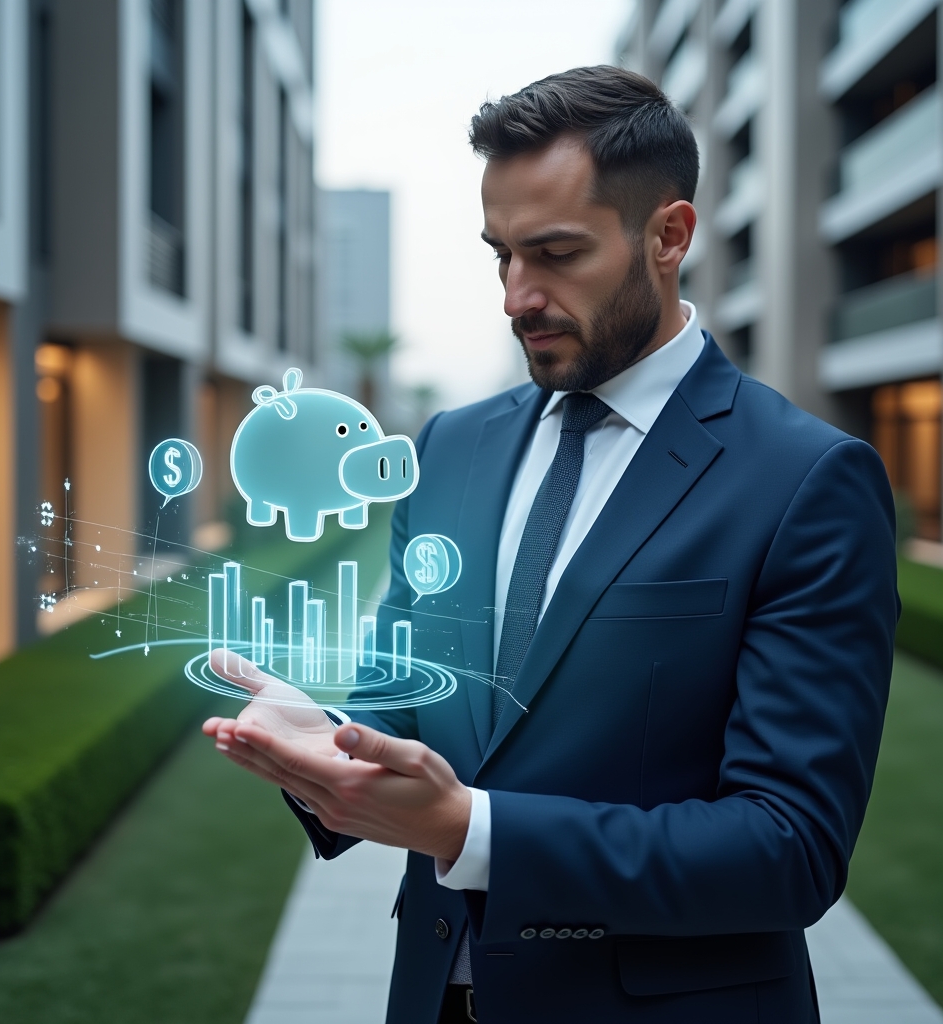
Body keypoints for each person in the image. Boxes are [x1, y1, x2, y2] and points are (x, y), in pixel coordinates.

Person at [203, 66, 898, 1023]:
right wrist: (329, 744)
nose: (516, 297)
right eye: (500, 256)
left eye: (556, 254)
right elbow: (409, 709)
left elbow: (790, 847)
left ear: (670, 236)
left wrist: (472, 828)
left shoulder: (808, 480)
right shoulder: (450, 446)